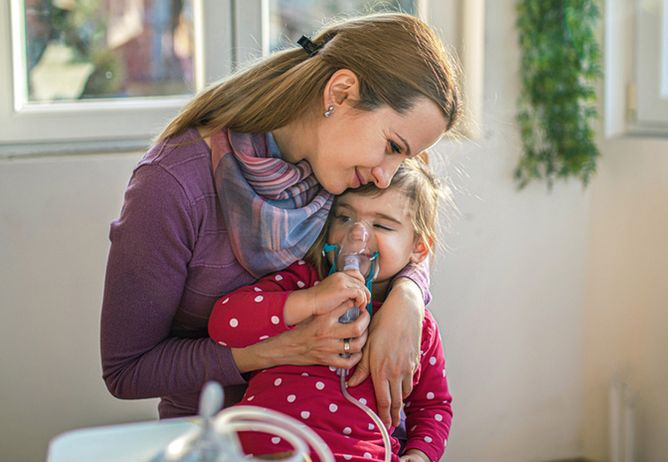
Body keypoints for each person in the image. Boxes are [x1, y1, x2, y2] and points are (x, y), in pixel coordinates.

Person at [100, 13, 460, 426]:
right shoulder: (172, 187)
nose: (385, 176)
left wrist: (409, 297)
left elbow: (406, 228)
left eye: (403, 158)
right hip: (212, 439)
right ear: (340, 92)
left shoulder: (341, 173)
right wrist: (285, 348)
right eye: (392, 146)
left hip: (334, 444)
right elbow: (126, 370)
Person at [208, 159, 451, 462]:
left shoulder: (416, 329)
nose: (357, 235)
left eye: (382, 225)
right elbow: (224, 324)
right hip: (263, 450)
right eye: (345, 217)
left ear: (419, 248)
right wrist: (307, 302)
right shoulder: (300, 284)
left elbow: (433, 407)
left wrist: (421, 454)